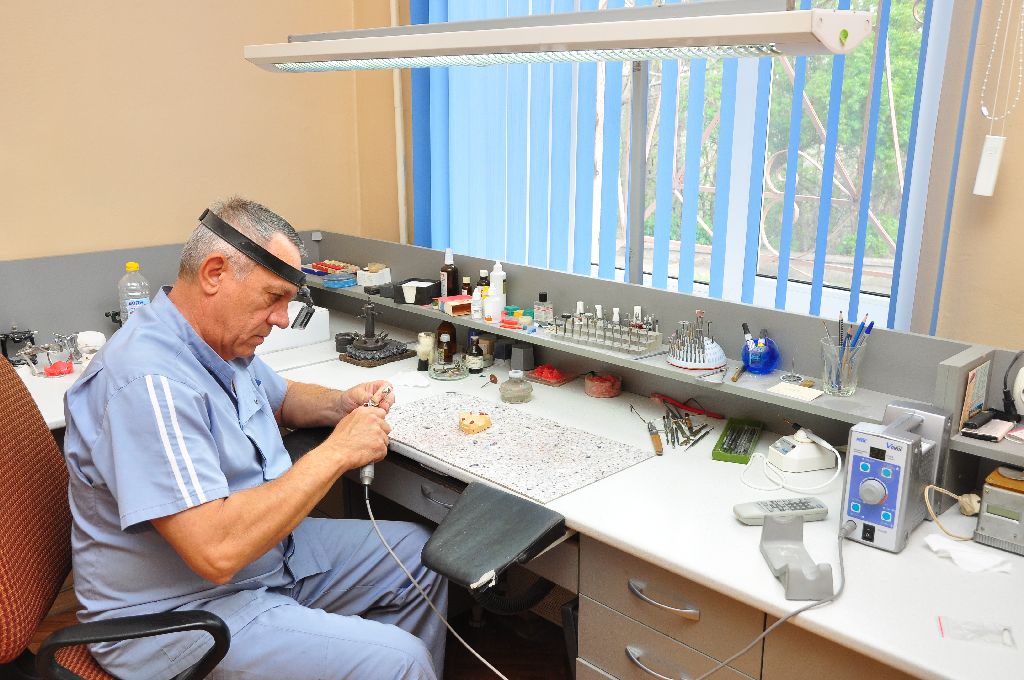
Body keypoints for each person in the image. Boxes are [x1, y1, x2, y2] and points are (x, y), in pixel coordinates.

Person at [63, 197, 447, 680]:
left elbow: (281, 397)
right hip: (181, 615)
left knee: (418, 557)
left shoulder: (216, 342)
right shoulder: (148, 382)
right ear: (215, 273)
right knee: (401, 660)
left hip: (263, 561)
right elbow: (216, 552)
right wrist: (338, 451)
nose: (283, 319)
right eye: (273, 298)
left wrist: (340, 404)